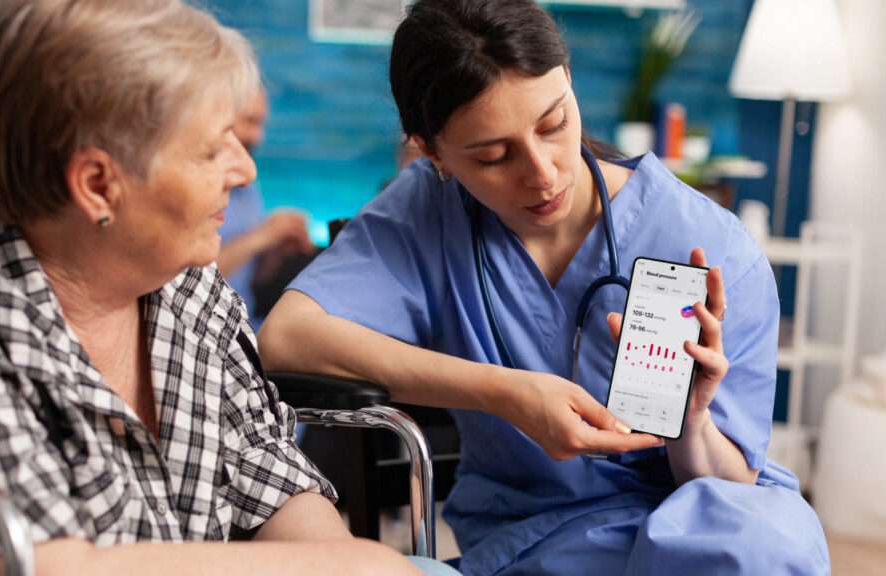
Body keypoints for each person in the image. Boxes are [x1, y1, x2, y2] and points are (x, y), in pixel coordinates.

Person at [258, 0, 829, 574]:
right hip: (539, 544)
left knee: (764, 543)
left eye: (554, 124)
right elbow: (287, 337)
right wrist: (505, 393)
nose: (544, 172)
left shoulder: (706, 241)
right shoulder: (426, 215)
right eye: (494, 156)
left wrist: (691, 421)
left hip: (696, 534)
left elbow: (730, 489)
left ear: (570, 83)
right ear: (432, 153)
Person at [0, 2, 456, 575]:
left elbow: (267, 468)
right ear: (98, 184)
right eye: (213, 149)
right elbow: (35, 567)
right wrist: (340, 569)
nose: (245, 170)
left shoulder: (178, 273)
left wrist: (342, 561)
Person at [214, 43, 315, 325]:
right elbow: (180, 282)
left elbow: (249, 278)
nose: (257, 136)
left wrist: (274, 252)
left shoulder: (247, 189)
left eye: (262, 125)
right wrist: (261, 236)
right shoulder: (199, 186)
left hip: (245, 322)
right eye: (249, 121)